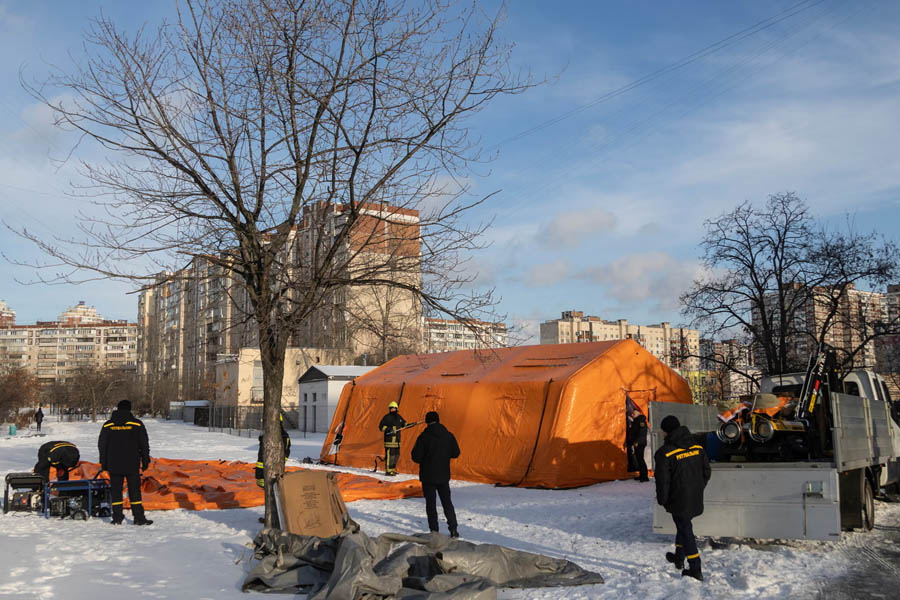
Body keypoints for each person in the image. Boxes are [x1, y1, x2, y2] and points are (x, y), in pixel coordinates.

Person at [654, 415, 711, 581]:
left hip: (678, 498)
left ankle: (695, 567)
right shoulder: (697, 447)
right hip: (694, 495)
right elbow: (706, 472)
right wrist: (698, 487)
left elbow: (662, 481)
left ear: (666, 432)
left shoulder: (664, 453)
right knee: (683, 524)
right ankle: (679, 556)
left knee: (685, 529)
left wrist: (662, 499)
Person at [99, 399, 153, 526]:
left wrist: (104, 462)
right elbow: (144, 445)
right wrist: (145, 461)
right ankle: (139, 517)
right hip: (132, 463)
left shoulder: (108, 425)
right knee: (134, 491)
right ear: (130, 409)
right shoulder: (137, 424)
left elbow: (102, 445)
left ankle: (117, 517)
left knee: (116, 490)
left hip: (114, 464)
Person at [411, 411, 460, 538]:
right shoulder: (448, 435)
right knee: (447, 502)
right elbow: (456, 453)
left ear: (427, 422)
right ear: (438, 420)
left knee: (431, 505)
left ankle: (434, 531)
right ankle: (453, 529)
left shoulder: (423, 437)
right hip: (443, 475)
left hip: (428, 477)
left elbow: (416, 457)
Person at [379, 401, 406, 476]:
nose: (392, 410)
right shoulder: (386, 417)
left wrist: (408, 424)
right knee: (390, 456)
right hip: (389, 441)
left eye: (394, 408)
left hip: (397, 441)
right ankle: (388, 470)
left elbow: (404, 423)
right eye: (391, 408)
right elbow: (381, 427)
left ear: (396, 409)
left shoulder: (399, 417)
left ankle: (393, 469)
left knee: (396, 455)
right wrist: (389, 429)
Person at [626, 409, 649, 482]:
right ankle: (642, 475)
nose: (632, 415)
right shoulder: (636, 421)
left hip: (640, 443)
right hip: (637, 443)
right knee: (639, 459)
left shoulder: (641, 421)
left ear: (638, 414)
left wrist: (637, 442)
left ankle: (645, 476)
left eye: (634, 413)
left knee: (640, 459)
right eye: (632, 414)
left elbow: (641, 433)